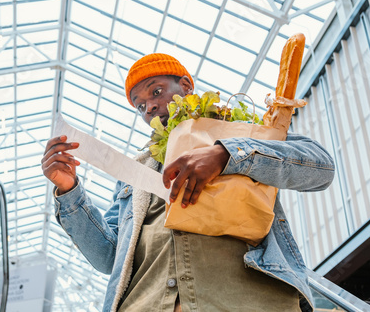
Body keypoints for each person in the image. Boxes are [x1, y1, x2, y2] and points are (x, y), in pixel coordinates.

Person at [41, 53, 335, 312]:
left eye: (155, 92)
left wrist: (225, 154)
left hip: (243, 301)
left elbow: (320, 166)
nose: (150, 108)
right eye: (140, 106)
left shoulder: (237, 131)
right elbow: (108, 257)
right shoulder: (135, 170)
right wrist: (69, 191)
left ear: (185, 86)